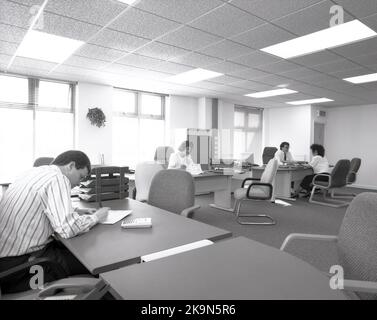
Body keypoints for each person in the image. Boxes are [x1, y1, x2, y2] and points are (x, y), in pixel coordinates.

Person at [0, 150, 109, 294]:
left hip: (7, 261)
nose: (78, 184)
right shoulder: (58, 178)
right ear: (71, 165)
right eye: (80, 176)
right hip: (24, 267)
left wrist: (74, 210)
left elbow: (41, 205)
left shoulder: (33, 173)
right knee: (96, 260)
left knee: (78, 250)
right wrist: (97, 217)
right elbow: (68, 229)